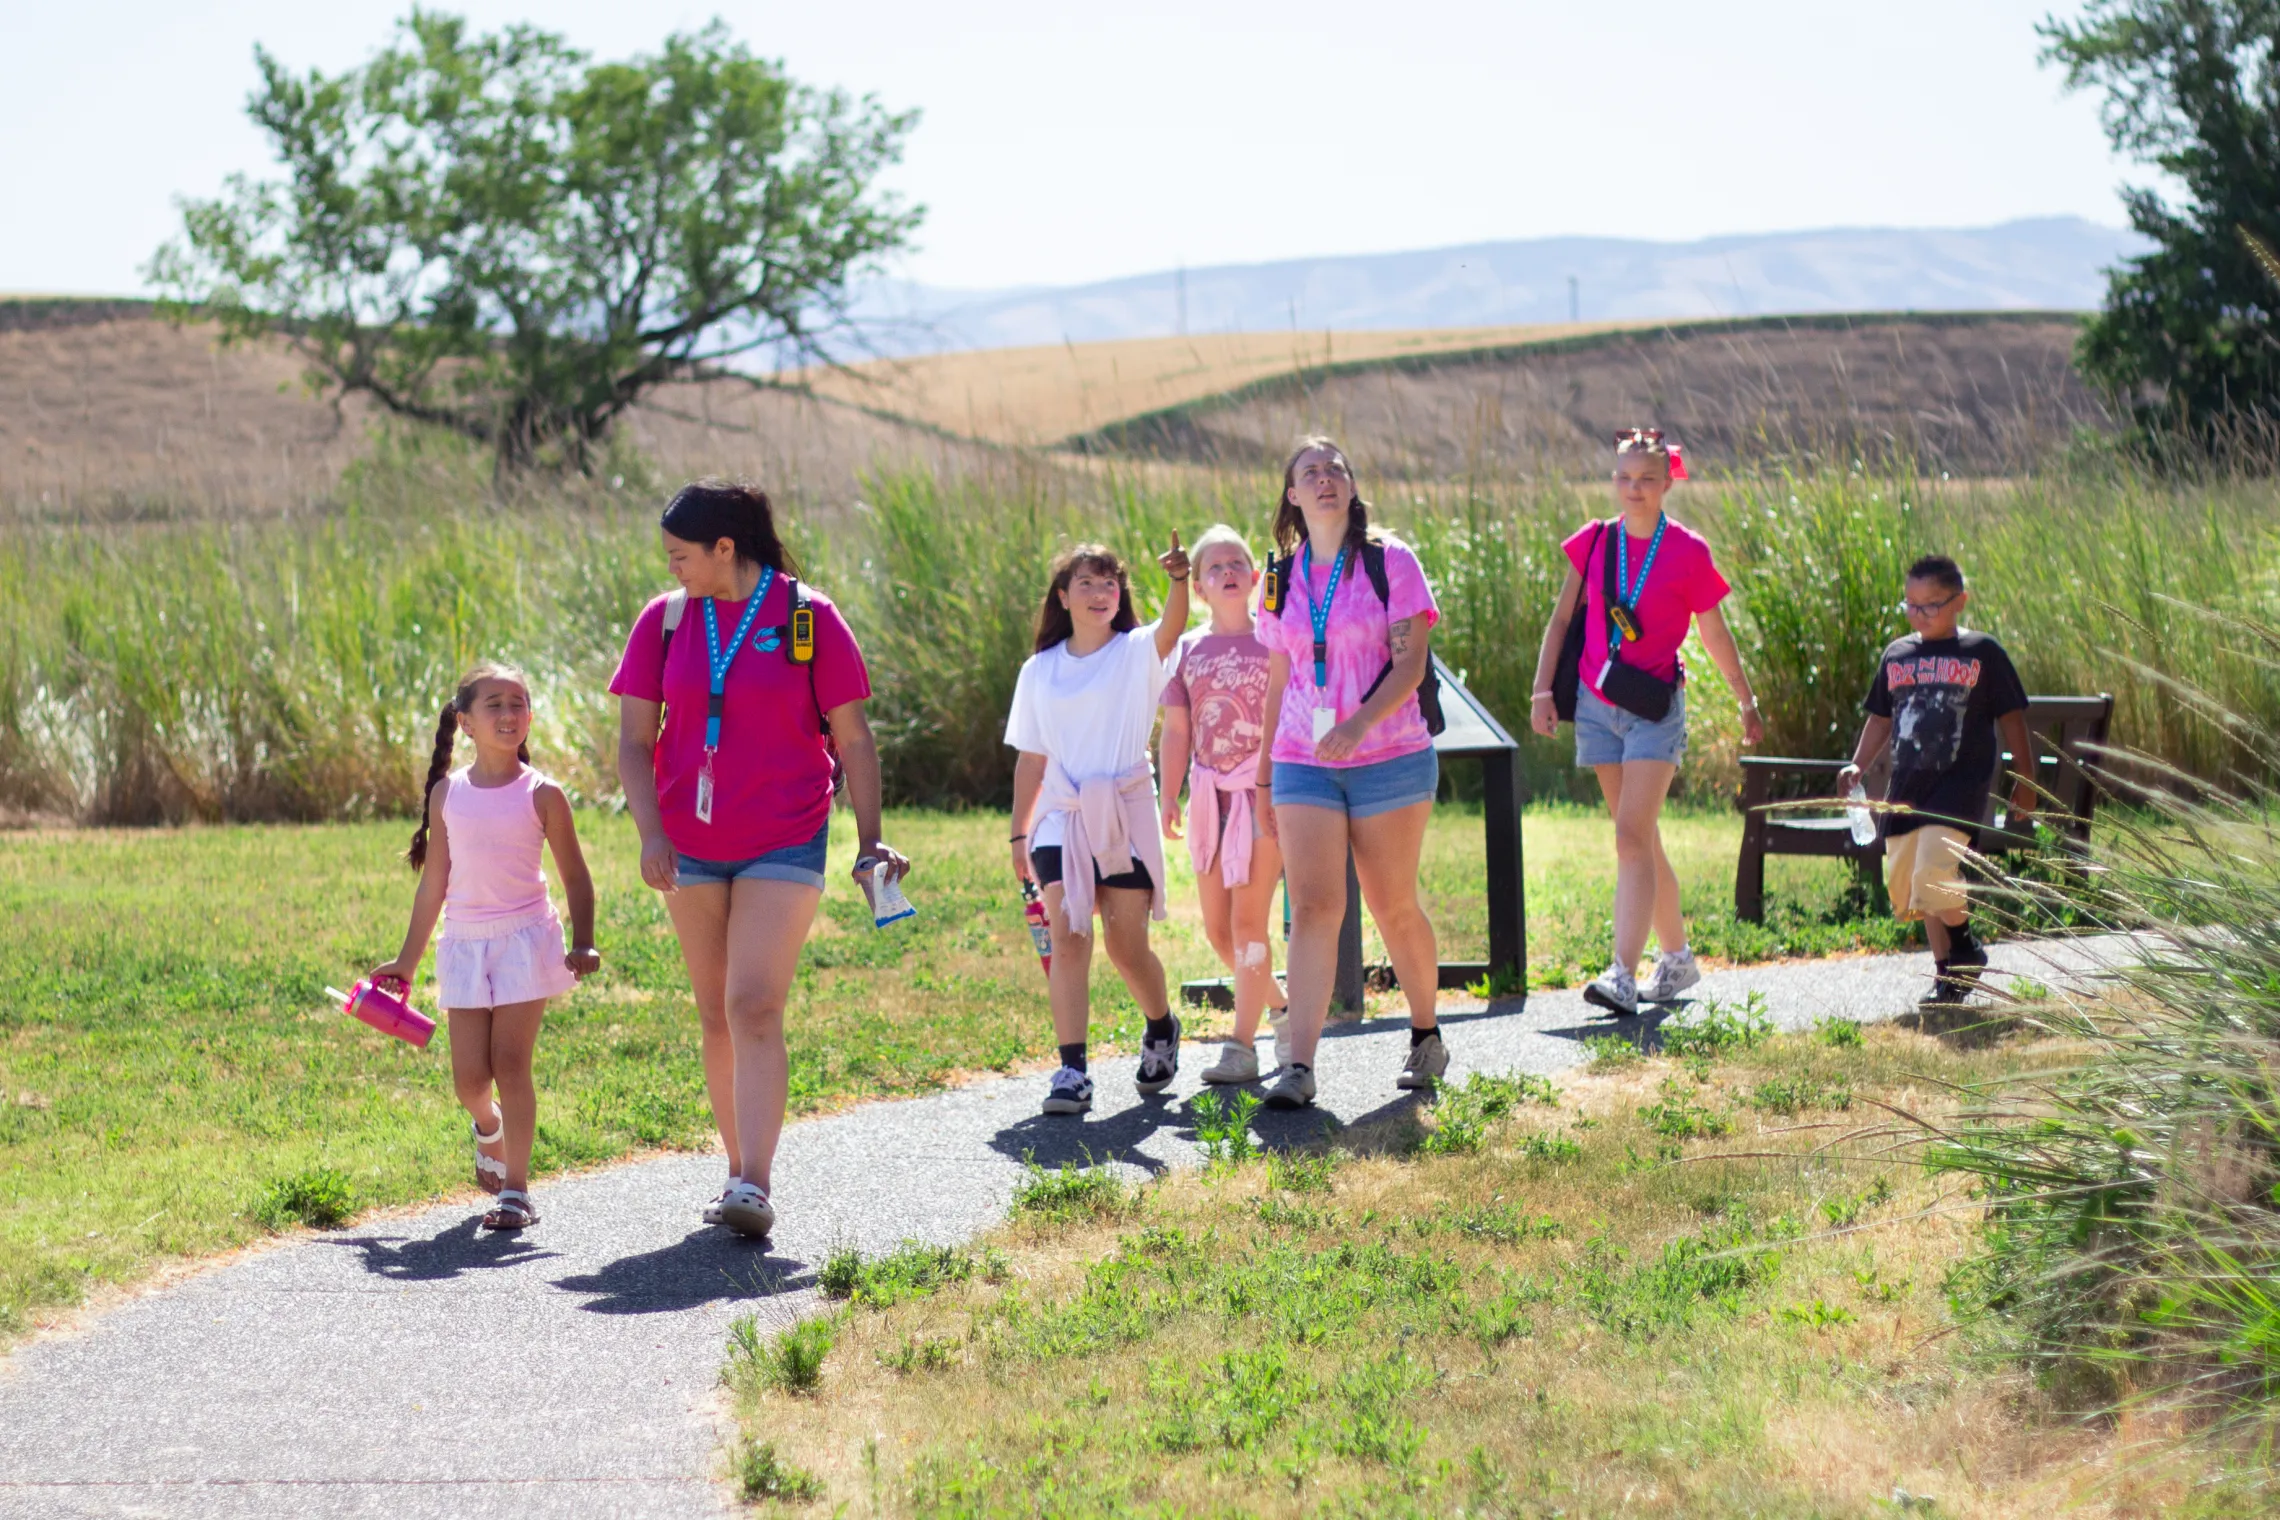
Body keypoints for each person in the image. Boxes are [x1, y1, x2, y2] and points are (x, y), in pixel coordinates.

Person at [612, 480, 910, 1240]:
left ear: (724, 548)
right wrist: (651, 833)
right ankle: (735, 1169)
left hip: (786, 832)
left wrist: (869, 839)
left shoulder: (808, 617)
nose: (671, 567)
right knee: (716, 1013)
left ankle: (755, 1182)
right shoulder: (664, 621)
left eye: (681, 555)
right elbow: (634, 744)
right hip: (688, 841)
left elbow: (853, 738)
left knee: (752, 1004)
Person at [1527, 428, 1763, 1017]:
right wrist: (1541, 691)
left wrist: (1745, 699)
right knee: (1642, 839)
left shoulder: (1687, 550)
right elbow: (1561, 621)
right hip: (1595, 704)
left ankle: (1622, 975)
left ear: (1666, 484)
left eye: (1647, 479)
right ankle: (1677, 958)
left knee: (1631, 838)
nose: (1634, 489)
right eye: (1624, 478)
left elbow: (1714, 632)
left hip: (1655, 709)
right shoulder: (1595, 540)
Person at [370, 662, 601, 1233]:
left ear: (530, 716)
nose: (508, 713)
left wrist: (585, 941)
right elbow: (434, 884)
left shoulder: (544, 794)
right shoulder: (447, 794)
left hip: (526, 940)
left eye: (518, 703)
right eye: (494, 704)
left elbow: (576, 877)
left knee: (511, 1064)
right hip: (465, 945)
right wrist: (406, 961)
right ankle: (488, 1127)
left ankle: (517, 1191)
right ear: (465, 722)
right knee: (470, 1082)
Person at [1255, 437, 1445, 1110]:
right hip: (1302, 760)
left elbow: (1410, 664)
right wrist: (1263, 774)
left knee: (1393, 905)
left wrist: (1358, 725)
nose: (1325, 479)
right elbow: (1278, 678)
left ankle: (1425, 1033)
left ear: (1352, 485)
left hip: (1389, 756)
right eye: (1310, 472)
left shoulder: (1391, 562)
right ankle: (1298, 1066)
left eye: (1335, 468)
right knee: (1313, 906)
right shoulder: (1279, 578)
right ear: (1293, 495)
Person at [1007, 536, 1192, 1117]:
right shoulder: (1039, 670)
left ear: (1120, 595)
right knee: (1070, 937)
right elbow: (1031, 759)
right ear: (1062, 597)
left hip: (1124, 811)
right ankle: (1073, 1071)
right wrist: (1019, 833)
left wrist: (1180, 580)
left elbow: (1172, 627)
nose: (1098, 592)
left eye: (1109, 583)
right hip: (1060, 818)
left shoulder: (1137, 651)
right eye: (1084, 582)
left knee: (1125, 946)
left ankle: (1161, 1026)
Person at [1838, 554, 2033, 1005]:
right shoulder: (1897, 654)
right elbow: (1881, 719)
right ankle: (1949, 977)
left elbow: (2013, 717)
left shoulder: (1983, 652)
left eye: (1931, 605)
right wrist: (1857, 765)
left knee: (1932, 873)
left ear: (1960, 601)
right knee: (1912, 886)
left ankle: (1966, 947)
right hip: (1907, 788)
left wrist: (2026, 779)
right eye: (1910, 605)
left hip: (1960, 786)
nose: (1918, 614)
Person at [1157, 524, 1291, 1084]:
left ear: (1256, 576)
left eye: (1237, 562)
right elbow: (1177, 730)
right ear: (1200, 588)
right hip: (1210, 800)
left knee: (1248, 921)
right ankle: (1283, 1008)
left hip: (1264, 798)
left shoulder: (1276, 639)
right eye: (1214, 567)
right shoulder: (1187, 649)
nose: (1228, 572)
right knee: (1219, 931)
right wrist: (1169, 794)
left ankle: (1242, 1047)